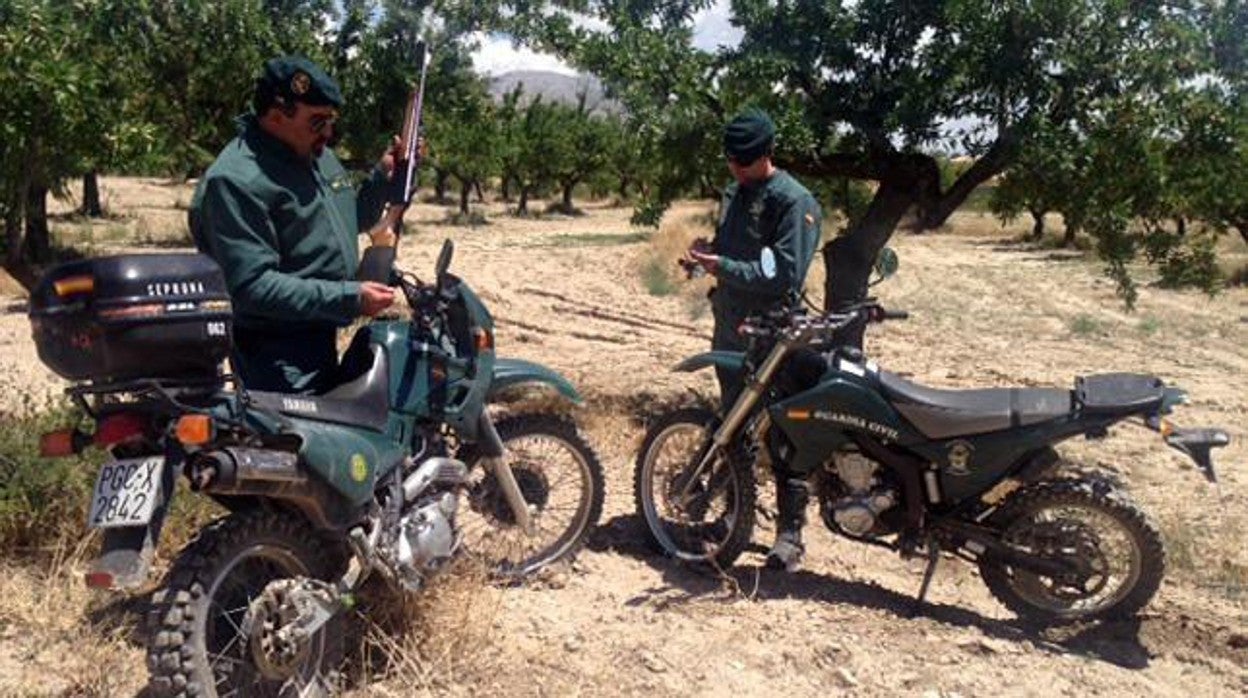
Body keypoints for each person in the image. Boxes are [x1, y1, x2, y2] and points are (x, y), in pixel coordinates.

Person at [190, 56, 406, 394]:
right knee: (300, 444)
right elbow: (252, 287)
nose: (329, 133)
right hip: (277, 358)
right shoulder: (236, 181)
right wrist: (349, 298)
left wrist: (383, 177)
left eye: (331, 120)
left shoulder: (315, 155)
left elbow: (349, 220)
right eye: (317, 122)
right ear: (276, 117)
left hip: (319, 332)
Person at [683, 107, 823, 572]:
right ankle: (734, 513)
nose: (736, 169)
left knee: (786, 433)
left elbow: (781, 274)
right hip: (731, 330)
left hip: (775, 336)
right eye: (731, 161)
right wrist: (707, 254)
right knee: (733, 427)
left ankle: (790, 535)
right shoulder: (736, 191)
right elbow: (736, 248)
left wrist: (722, 266)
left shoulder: (793, 201)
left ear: (766, 154)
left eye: (744, 162)